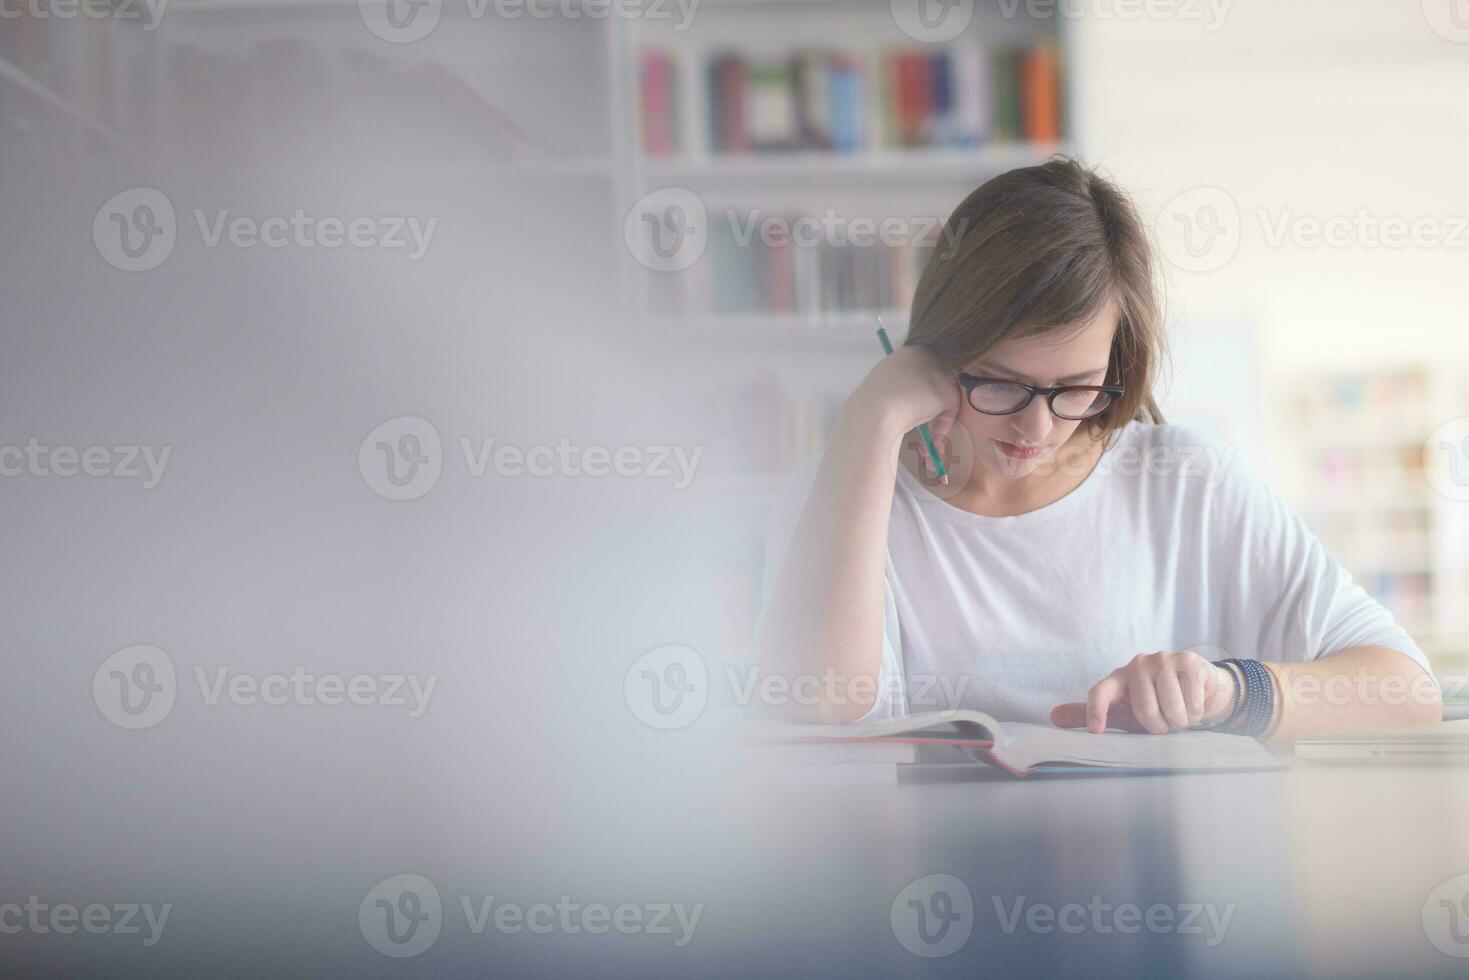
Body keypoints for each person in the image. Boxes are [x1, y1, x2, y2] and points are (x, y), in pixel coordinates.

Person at [755, 158, 1441, 739]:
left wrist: (1230, 693)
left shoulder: (1185, 480)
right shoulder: (843, 491)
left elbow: (1407, 692)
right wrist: (869, 420)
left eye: (1076, 388)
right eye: (999, 383)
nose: (1036, 430)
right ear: (938, 348)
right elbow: (818, 712)